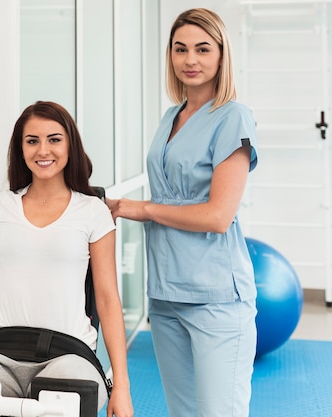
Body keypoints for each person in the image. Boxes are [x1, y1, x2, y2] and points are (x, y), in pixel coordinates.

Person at [106, 8, 258, 417]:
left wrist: (146, 209)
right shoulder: (169, 118)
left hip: (216, 298)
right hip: (165, 294)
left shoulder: (233, 117)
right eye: (181, 49)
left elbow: (217, 216)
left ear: (222, 56)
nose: (190, 60)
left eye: (203, 49)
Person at [0, 101, 134, 417]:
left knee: (67, 395)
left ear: (70, 144)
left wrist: (122, 386)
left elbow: (107, 299)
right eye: (32, 141)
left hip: (67, 355)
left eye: (54, 139)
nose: (43, 150)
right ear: (21, 149)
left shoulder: (92, 212)